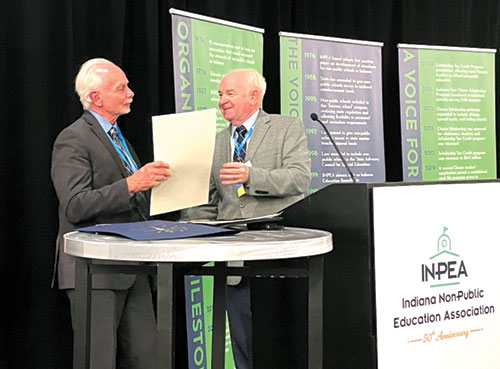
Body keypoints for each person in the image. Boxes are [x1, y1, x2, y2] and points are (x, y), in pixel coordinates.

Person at [185, 69, 311, 369]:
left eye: (229, 93)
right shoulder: (215, 142)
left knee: (283, 346)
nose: (222, 101)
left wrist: (252, 176)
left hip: (280, 258)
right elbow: (208, 200)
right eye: (219, 95)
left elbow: (300, 178)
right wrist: (186, 226)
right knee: (244, 349)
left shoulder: (285, 128)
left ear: (254, 96)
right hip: (234, 263)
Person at [51, 58, 171, 369]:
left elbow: (131, 197)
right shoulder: (73, 138)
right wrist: (132, 184)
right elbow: (76, 205)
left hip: (134, 269)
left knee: (150, 359)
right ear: (95, 97)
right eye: (121, 88)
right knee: (98, 361)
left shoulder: (120, 139)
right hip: (95, 271)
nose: (131, 93)